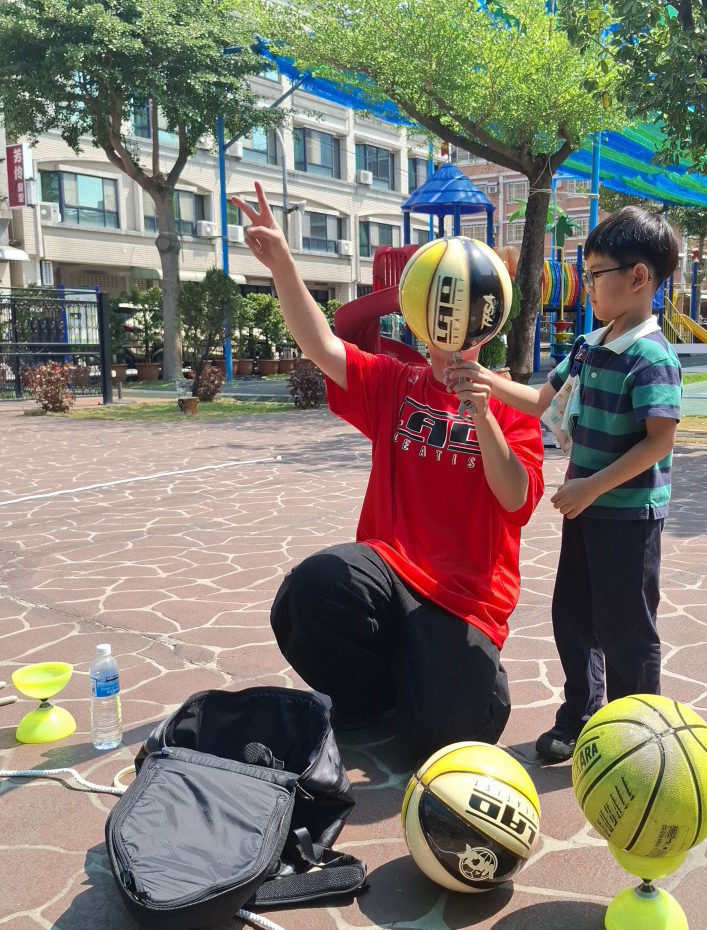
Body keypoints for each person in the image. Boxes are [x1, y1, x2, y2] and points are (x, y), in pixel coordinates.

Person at [232, 183, 544, 760]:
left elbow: (515, 499)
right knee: (311, 590)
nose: (446, 343)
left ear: (485, 323)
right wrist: (282, 264)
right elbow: (321, 344)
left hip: (463, 599)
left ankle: (446, 683)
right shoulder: (395, 383)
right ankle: (369, 697)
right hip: (390, 568)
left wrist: (481, 412)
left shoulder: (510, 407)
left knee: (448, 737)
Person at [449, 207, 682, 763]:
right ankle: (582, 714)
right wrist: (484, 380)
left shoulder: (652, 357)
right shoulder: (588, 344)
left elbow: (659, 442)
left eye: (596, 274)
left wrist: (591, 486)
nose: (589, 285)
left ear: (638, 277)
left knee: (626, 626)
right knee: (572, 616)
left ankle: (637, 730)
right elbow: (540, 401)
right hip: (586, 509)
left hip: (627, 515)